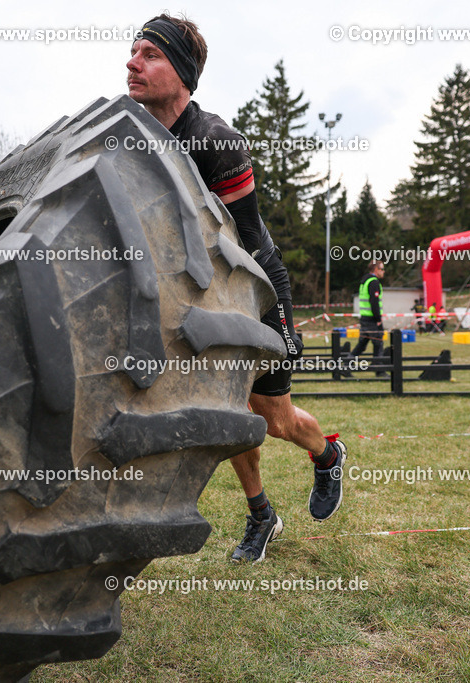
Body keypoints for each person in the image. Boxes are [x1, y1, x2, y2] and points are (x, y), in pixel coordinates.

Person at [126, 14, 348, 564]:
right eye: (132, 52)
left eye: (150, 54)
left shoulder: (216, 142)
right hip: (191, 297)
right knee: (227, 414)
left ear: (181, 72)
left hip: (251, 289)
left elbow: (250, 239)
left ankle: (326, 453)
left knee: (275, 420)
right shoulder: (125, 135)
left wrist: (279, 327)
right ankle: (261, 515)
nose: (132, 63)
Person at [350, 260, 387, 376]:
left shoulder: (365, 281)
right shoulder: (374, 282)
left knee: (362, 345)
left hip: (365, 318)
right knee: (378, 344)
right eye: (382, 269)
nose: (383, 271)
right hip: (372, 320)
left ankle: (345, 365)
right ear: (376, 270)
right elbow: (374, 302)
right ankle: (379, 370)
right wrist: (378, 319)